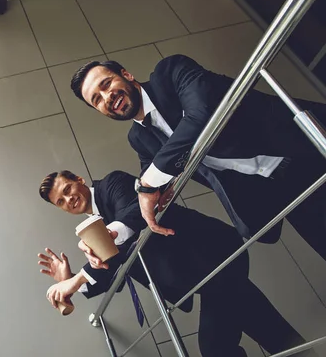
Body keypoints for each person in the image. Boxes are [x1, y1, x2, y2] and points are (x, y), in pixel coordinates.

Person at [69, 55, 326, 260]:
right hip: (278, 189)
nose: (107, 97)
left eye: (106, 84)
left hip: (304, 147)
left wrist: (149, 183)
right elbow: (149, 193)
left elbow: (201, 116)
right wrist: (117, 231)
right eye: (97, 100)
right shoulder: (139, 139)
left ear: (126, 75)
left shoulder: (170, 72)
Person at [37, 169, 312, 357]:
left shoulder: (113, 184)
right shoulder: (90, 230)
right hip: (205, 275)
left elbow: (133, 213)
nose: (69, 199)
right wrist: (69, 280)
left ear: (79, 179)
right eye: (61, 201)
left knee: (215, 347)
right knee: (258, 319)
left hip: (213, 256)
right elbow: (109, 275)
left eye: (68, 189)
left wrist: (77, 278)